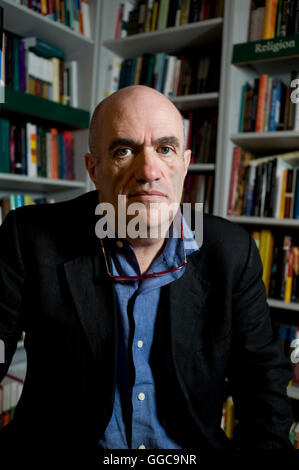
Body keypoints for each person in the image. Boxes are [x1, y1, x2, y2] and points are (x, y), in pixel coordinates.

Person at [0, 85, 294, 462]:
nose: (149, 171)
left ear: (184, 165)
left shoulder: (231, 251)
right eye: (124, 150)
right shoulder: (29, 236)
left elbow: (262, 383)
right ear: (94, 168)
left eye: (166, 149)